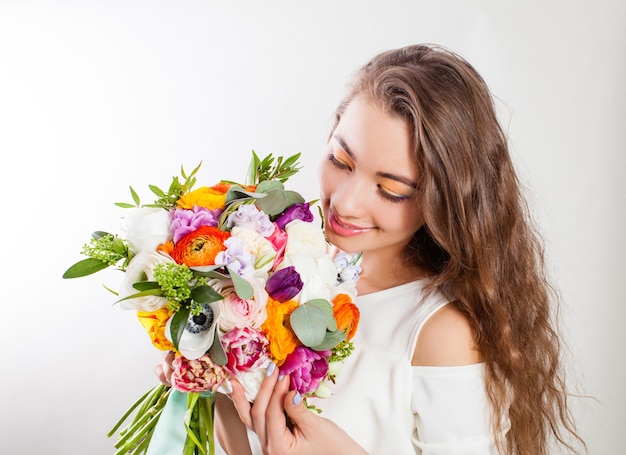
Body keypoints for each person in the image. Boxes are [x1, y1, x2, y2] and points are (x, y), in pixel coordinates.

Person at [157, 44, 585, 454]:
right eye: (340, 161)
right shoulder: (274, 266)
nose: (345, 203)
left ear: (446, 200)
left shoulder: (439, 334)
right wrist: (204, 379)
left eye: (391, 190)